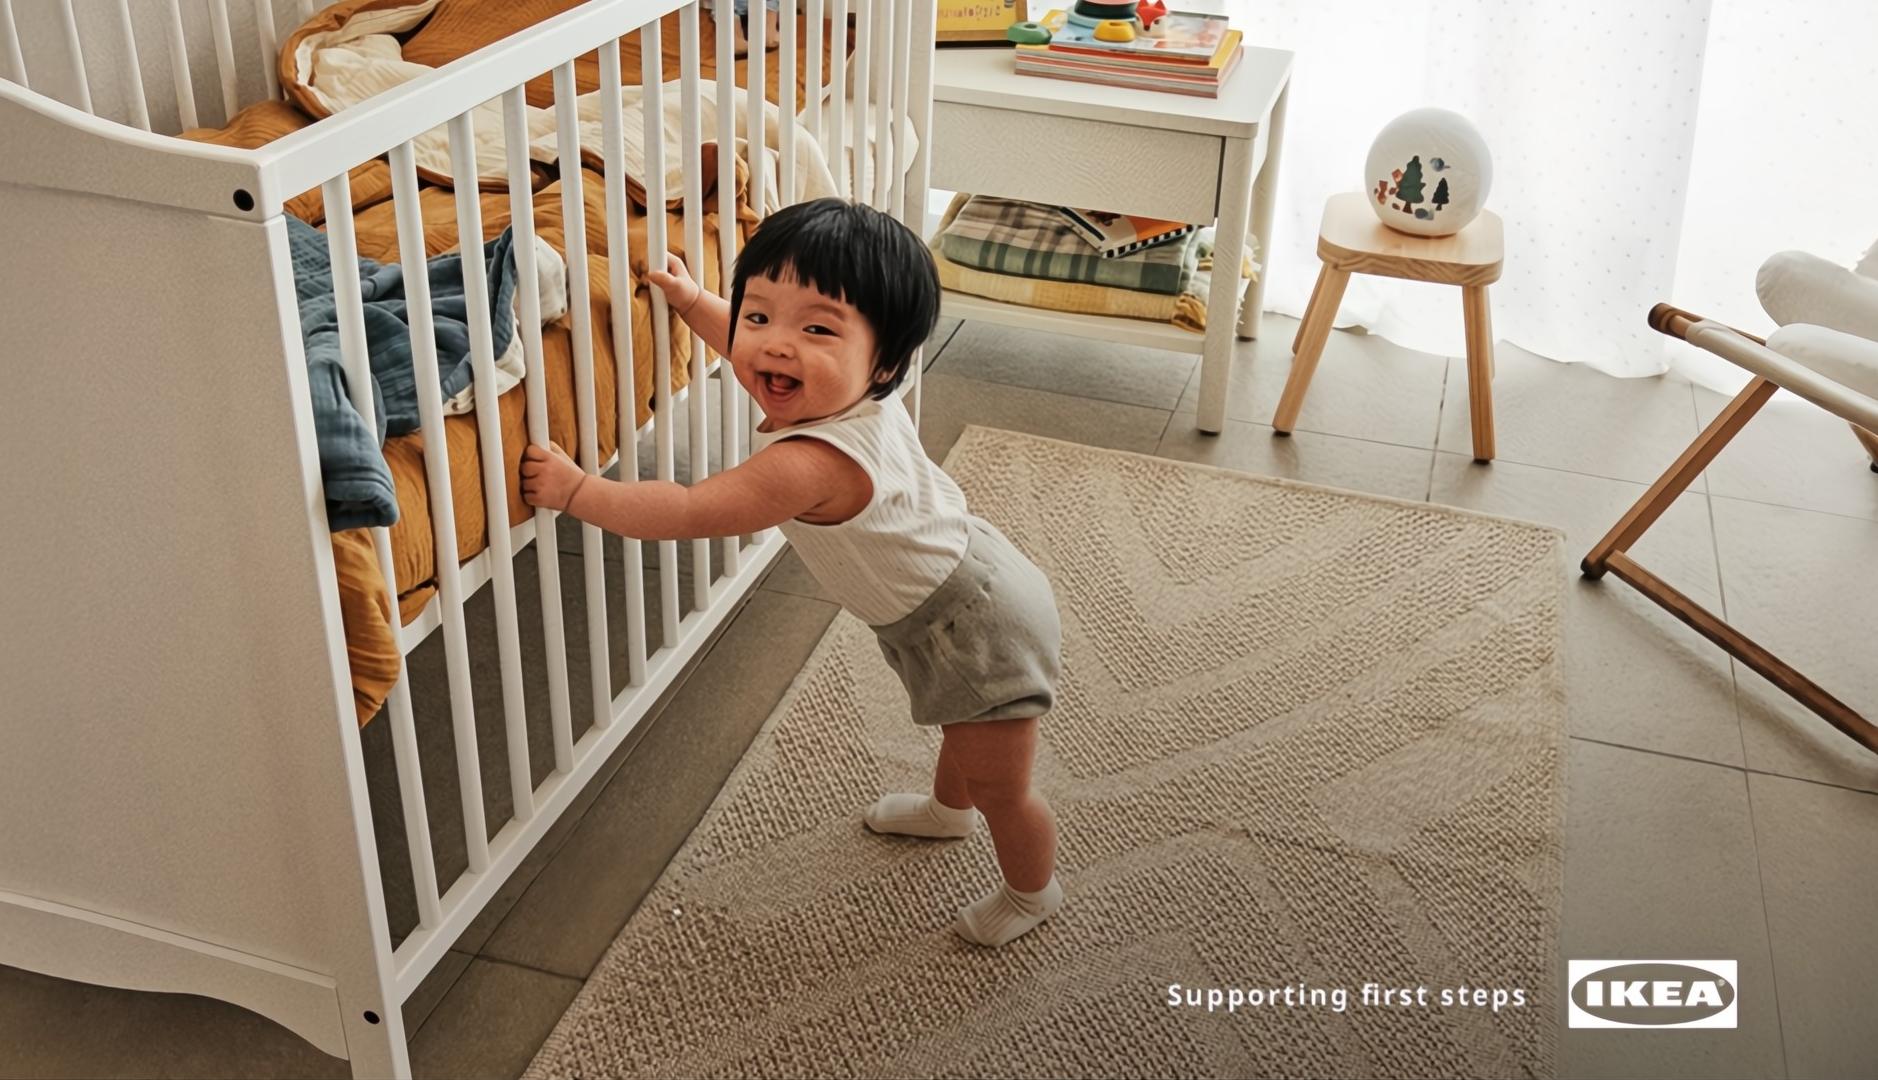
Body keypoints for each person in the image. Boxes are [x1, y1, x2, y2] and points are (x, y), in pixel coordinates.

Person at [520, 198, 1065, 947]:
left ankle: (1033, 891)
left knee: (1003, 780)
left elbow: (685, 510)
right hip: (958, 585)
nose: (775, 347)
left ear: (885, 361)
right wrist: (693, 304)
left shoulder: (808, 463)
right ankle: (948, 812)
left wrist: (583, 491)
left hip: (973, 624)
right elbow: (751, 354)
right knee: (956, 725)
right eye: (759, 314)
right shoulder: (853, 389)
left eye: (816, 328)